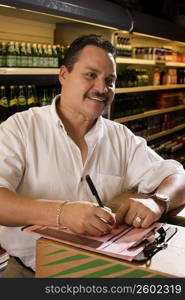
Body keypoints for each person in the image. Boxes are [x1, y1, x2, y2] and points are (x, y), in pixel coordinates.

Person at [0, 34, 185, 277]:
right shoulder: (21, 128)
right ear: (64, 75)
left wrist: (157, 201)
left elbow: (178, 176)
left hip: (99, 271)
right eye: (91, 75)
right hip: (30, 273)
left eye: (110, 80)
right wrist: (62, 212)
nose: (101, 88)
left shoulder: (121, 137)